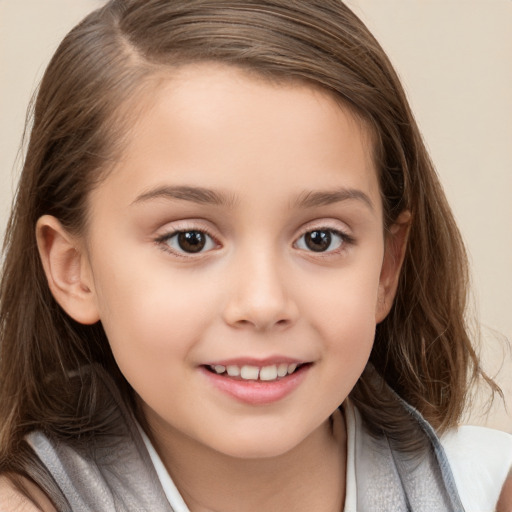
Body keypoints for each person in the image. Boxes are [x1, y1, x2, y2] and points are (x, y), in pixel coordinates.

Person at [0, 1, 511, 510]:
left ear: (386, 267)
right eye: (190, 240)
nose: (264, 303)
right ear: (74, 269)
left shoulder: (486, 491)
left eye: (320, 239)